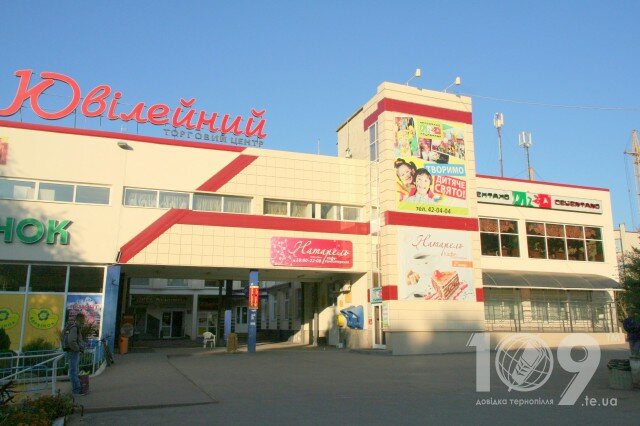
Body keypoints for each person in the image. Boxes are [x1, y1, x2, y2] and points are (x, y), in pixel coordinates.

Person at [63, 313, 87, 395]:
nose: (84, 321)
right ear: (80, 319)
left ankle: (77, 388)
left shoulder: (76, 327)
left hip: (73, 351)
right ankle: (76, 390)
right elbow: (71, 341)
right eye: (83, 319)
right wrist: (78, 349)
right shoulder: (75, 328)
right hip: (73, 352)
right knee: (73, 371)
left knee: (74, 371)